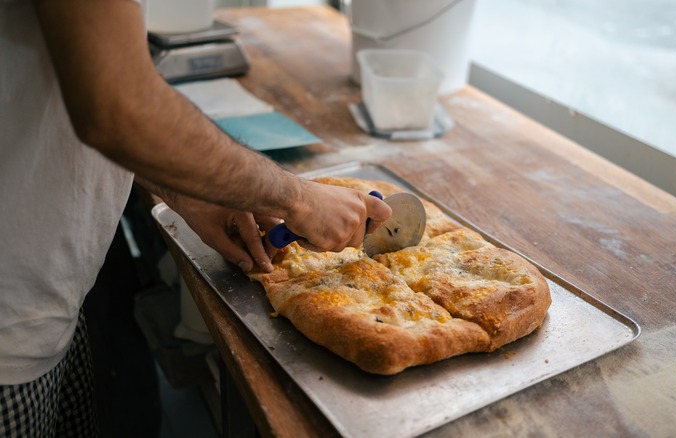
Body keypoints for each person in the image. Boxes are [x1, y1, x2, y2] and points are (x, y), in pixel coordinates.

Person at [0, 0, 392, 435]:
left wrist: (186, 186)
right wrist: (296, 197)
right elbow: (117, 107)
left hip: (39, 301)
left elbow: (74, 80)